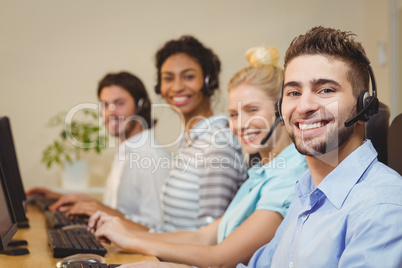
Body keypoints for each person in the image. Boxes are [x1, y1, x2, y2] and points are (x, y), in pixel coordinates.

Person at [86, 46, 308, 268]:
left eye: (252, 110)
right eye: (233, 114)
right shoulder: (261, 173)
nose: (240, 124)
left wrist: (138, 244)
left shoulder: (289, 176)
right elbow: (204, 237)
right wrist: (127, 236)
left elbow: (220, 258)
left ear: (282, 110)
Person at [240, 26, 402, 268]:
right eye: (293, 92)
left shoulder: (381, 207)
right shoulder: (306, 193)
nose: (304, 106)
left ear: (364, 107)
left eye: (325, 90)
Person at [27, 72, 171, 230]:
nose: (110, 112)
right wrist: (73, 200)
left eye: (119, 103)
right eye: (105, 104)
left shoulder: (150, 157)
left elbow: (157, 230)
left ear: (140, 105)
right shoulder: (126, 151)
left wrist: (99, 208)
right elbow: (121, 212)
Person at [148, 35, 247, 232]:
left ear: (208, 81)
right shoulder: (191, 141)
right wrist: (112, 220)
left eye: (188, 76)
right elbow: (170, 229)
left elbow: (209, 237)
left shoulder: (218, 143)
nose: (177, 87)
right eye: (168, 78)